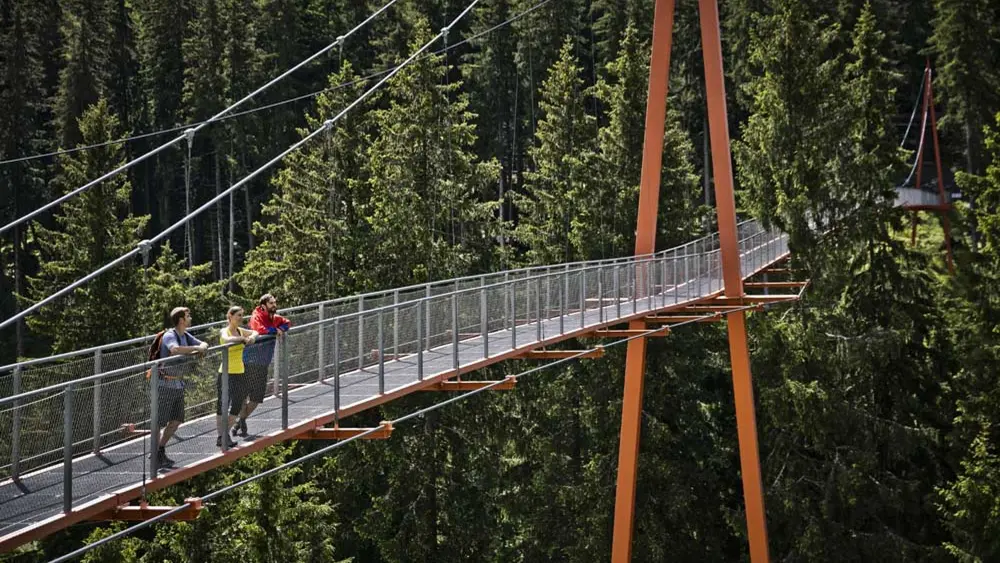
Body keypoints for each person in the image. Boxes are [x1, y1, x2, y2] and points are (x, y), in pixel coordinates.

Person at [154, 307, 208, 467]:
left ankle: (160, 449)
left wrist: (202, 346)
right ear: (181, 320)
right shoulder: (171, 335)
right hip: (165, 384)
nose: (190, 318)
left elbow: (202, 343)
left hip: (178, 383)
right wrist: (197, 349)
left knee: (177, 420)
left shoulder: (185, 334)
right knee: (159, 422)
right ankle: (156, 453)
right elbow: (175, 349)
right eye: (188, 316)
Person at [234, 293, 290, 437]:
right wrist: (274, 331)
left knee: (257, 398)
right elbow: (259, 330)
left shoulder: (274, 318)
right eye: (271, 303)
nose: (274, 305)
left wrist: (281, 329)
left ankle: (241, 420)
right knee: (243, 395)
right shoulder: (256, 316)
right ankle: (241, 421)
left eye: (275, 303)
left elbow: (287, 322)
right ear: (263, 306)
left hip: (263, 362)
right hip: (249, 361)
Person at [216, 306, 256, 449]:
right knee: (222, 404)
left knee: (237, 404)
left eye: (242, 315)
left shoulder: (241, 330)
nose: (240, 318)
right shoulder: (224, 330)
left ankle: (224, 434)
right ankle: (222, 436)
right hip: (226, 372)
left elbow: (255, 332)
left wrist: (251, 337)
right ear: (230, 316)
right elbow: (227, 340)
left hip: (239, 371)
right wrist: (243, 339)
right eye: (238, 315)